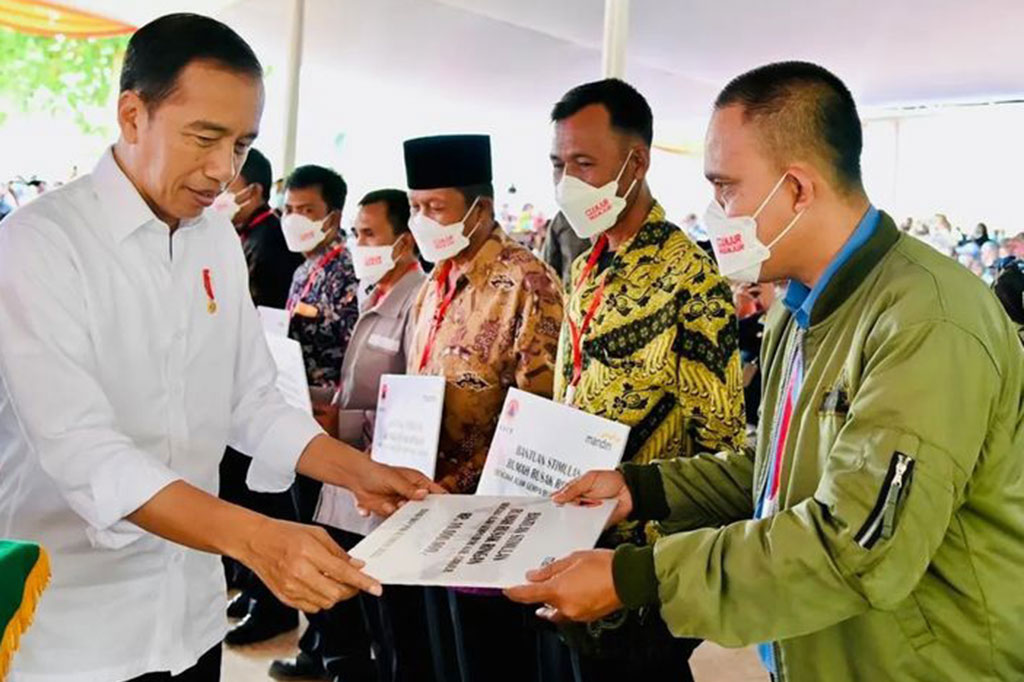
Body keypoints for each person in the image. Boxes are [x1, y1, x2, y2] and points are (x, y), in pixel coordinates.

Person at [507, 61, 1024, 682]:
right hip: (818, 648)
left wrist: (636, 575)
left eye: (726, 187)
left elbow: (854, 546)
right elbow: (774, 470)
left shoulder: (926, 323)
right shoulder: (798, 310)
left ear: (798, 190)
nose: (714, 210)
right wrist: (639, 489)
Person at [0, 14, 440, 682]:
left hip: (189, 614)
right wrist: (256, 538)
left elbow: (252, 400)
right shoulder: (41, 245)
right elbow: (83, 449)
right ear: (131, 115)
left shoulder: (212, 240)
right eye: (204, 138)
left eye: (241, 144)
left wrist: (355, 473)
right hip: (74, 626)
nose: (223, 170)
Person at [545, 78, 745, 682]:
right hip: (574, 527)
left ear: (636, 162)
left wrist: (665, 567)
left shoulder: (690, 275)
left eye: (584, 163)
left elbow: (722, 438)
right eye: (558, 164)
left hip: (640, 559)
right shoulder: (586, 264)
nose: (567, 182)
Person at [404, 134, 564, 682]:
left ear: (482, 209)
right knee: (441, 657)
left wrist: (463, 481)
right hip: (427, 507)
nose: (421, 220)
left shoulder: (528, 283)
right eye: (414, 207)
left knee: (491, 663)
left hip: (491, 518)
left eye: (434, 207)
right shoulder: (436, 281)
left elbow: (539, 417)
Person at [307, 188, 432, 682]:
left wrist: (344, 426)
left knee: (388, 619)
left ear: (403, 242)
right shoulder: (372, 292)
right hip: (347, 467)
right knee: (347, 602)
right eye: (355, 233)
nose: (359, 244)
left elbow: (410, 400)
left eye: (368, 234)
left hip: (382, 476)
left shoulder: (417, 300)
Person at [271, 164, 364, 680]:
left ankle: (335, 654)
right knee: (304, 524)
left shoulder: (343, 271)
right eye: (289, 209)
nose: (294, 220)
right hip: (292, 415)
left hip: (326, 426)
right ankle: (316, 647)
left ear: (333, 215)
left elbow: (351, 352)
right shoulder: (302, 269)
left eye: (306, 211)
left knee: (327, 536)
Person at [216, 146, 307, 647]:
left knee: (261, 499)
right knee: (241, 493)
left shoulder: (269, 242)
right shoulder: (238, 234)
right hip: (241, 395)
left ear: (249, 189)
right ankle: (252, 588)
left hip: (268, 394)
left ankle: (268, 602)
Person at [540, 211, 589, 283]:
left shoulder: (561, 218)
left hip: (575, 282)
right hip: (576, 283)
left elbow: (549, 262)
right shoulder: (562, 219)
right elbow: (549, 265)